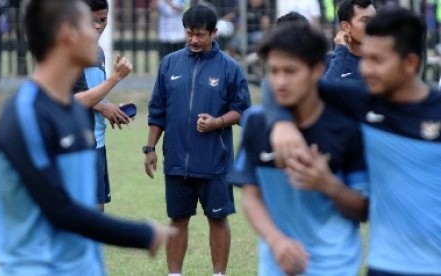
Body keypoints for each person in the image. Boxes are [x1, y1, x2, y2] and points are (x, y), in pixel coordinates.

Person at [0, 0, 174, 275]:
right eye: (90, 24)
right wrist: (143, 234)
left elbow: (87, 207)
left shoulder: (74, 114)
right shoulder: (24, 115)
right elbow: (61, 209)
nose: (98, 30)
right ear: (68, 34)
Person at [265, 7, 441, 275]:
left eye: (377, 60)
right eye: (365, 58)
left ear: (410, 64)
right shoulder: (360, 102)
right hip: (385, 266)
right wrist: (281, 122)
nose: (366, 69)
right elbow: (279, 84)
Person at [231, 22, 368, 275]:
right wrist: (276, 241)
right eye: (273, 71)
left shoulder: (347, 127)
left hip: (335, 264)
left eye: (290, 71)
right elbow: (251, 196)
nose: (280, 82)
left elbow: (364, 209)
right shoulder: (256, 123)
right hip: (277, 263)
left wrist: (328, 184)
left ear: (317, 70)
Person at [144, 5, 251, 275]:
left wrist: (218, 122)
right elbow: (157, 111)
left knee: (218, 219)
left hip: (215, 162)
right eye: (189, 34)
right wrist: (150, 148)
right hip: (177, 161)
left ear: (214, 33)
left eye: (200, 35)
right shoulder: (170, 64)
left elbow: (241, 110)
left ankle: (219, 274)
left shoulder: (230, 68)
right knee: (177, 219)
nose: (193, 40)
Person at [73, 0, 132, 212]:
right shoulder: (70, 50)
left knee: (97, 211)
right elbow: (74, 99)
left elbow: (93, 91)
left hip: (97, 141)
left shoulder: (97, 51)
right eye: (92, 20)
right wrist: (116, 78)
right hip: (77, 143)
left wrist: (110, 108)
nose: (98, 25)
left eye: (103, 20)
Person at [324, 0, 376, 81]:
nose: (373, 25)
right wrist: (340, 50)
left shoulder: (384, 59)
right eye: (365, 20)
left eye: (374, 20)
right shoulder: (330, 62)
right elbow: (326, 89)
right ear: (346, 27)